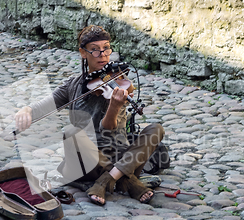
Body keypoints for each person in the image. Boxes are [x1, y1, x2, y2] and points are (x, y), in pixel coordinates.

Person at [14, 25, 164, 205]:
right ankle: (127, 181)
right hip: (86, 162)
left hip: (120, 157)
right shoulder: (73, 85)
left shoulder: (118, 85)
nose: (103, 54)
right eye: (95, 50)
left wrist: (115, 106)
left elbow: (109, 129)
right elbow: (43, 107)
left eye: (106, 48)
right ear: (83, 53)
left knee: (156, 129)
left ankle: (105, 181)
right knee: (71, 132)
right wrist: (26, 110)